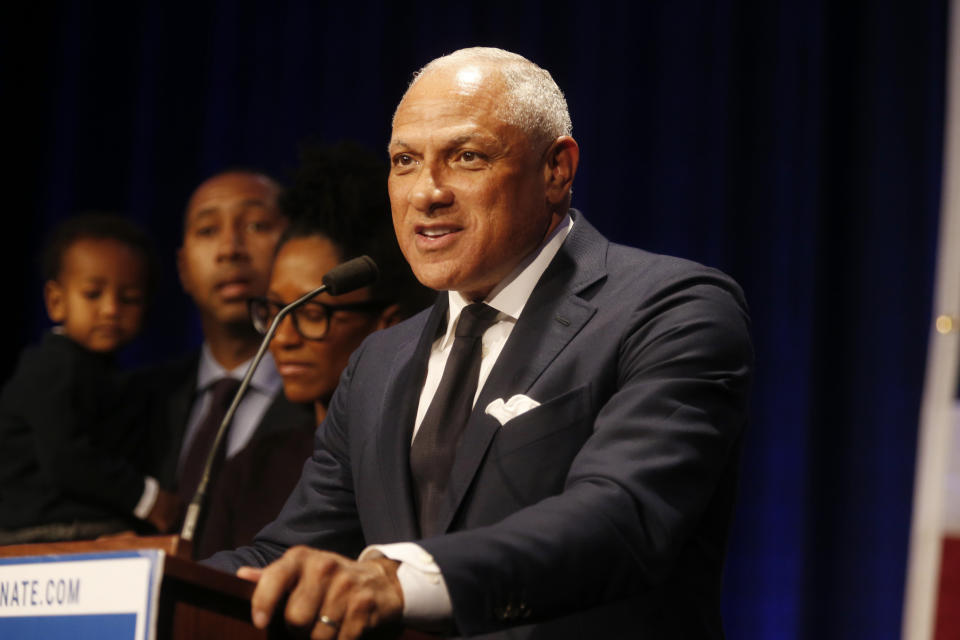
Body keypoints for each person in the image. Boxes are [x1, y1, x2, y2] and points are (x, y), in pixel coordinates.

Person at [208, 47, 753, 640]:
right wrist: (135, 581)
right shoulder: (378, 362)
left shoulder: (668, 308)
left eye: (466, 157)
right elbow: (289, 554)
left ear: (556, 170)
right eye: (405, 161)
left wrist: (402, 578)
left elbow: (621, 517)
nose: (426, 193)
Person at [198, 145, 434, 551]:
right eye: (274, 309)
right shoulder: (254, 466)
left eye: (311, 313)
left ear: (387, 324)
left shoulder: (422, 461)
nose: (283, 338)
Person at [148, 170, 315, 559]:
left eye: (257, 225)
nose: (230, 249)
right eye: (207, 231)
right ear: (183, 268)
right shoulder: (138, 402)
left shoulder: (333, 400)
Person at [0, 213, 180, 544]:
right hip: (39, 529)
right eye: (93, 294)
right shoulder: (52, 366)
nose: (111, 309)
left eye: (129, 299)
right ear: (56, 302)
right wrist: (149, 499)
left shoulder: (102, 371)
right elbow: (67, 457)